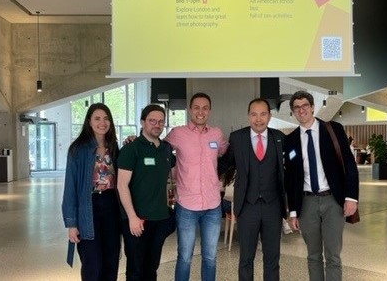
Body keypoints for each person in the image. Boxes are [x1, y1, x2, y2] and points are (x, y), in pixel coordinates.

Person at [284, 91, 359, 281]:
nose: (301, 110)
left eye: (305, 106)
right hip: (307, 203)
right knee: (313, 255)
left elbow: (349, 164)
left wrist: (351, 197)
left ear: (312, 107)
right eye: (297, 107)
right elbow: (291, 178)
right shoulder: (291, 140)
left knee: (333, 255)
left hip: (333, 201)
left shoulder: (333, 129)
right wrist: (293, 212)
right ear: (293, 112)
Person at [219, 98, 286, 281]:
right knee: (246, 259)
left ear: (270, 116)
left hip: (273, 207)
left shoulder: (279, 138)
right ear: (248, 116)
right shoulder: (237, 138)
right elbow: (225, 164)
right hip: (247, 206)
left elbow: (291, 168)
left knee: (272, 258)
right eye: (254, 114)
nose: (258, 119)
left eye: (263, 114)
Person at [165, 92, 229, 281]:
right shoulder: (178, 133)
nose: (200, 112)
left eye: (205, 108)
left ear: (209, 111)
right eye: (196, 107)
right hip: (186, 206)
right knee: (185, 257)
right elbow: (159, 149)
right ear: (190, 109)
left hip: (212, 206)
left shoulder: (217, 134)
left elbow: (227, 152)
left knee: (210, 257)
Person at [62, 103, 121, 280]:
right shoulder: (77, 150)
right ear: (89, 122)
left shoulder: (115, 148)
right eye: (97, 118)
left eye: (106, 118)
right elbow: (70, 187)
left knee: (111, 261)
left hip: (112, 207)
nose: (102, 122)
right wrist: (71, 224)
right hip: (89, 208)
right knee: (92, 264)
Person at [117, 104, 176, 281]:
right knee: (136, 270)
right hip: (137, 221)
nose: (157, 125)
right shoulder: (131, 148)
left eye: (161, 122)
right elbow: (121, 185)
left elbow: (174, 175)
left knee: (152, 268)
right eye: (152, 121)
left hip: (160, 219)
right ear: (143, 122)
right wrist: (132, 217)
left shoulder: (166, 149)